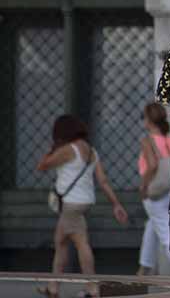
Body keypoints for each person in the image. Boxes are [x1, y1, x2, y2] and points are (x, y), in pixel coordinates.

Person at [36, 115, 128, 298]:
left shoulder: (68, 149)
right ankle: (53, 287)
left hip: (71, 204)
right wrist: (116, 204)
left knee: (80, 243)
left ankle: (92, 288)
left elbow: (42, 165)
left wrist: (52, 149)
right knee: (61, 242)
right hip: (83, 202)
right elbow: (102, 181)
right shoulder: (91, 151)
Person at [136, 103, 170, 277]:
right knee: (152, 230)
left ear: (149, 120)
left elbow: (151, 165)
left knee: (166, 234)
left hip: (155, 192)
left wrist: (143, 185)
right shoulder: (169, 140)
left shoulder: (147, 140)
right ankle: (142, 273)